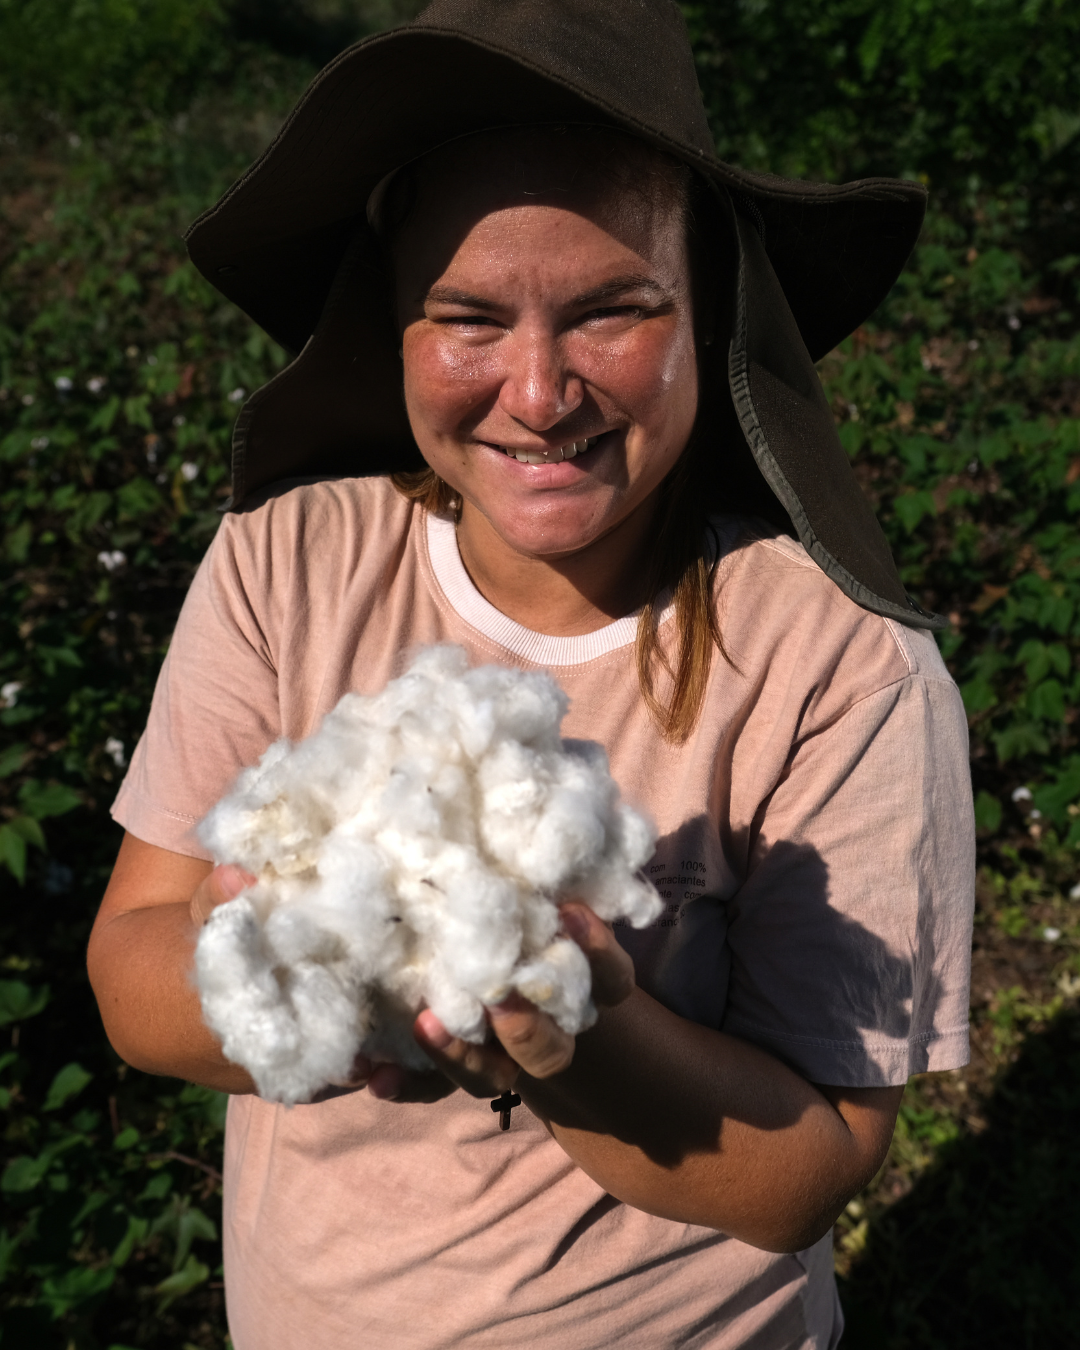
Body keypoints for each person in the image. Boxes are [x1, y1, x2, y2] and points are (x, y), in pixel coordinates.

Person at [87, 2, 975, 1346]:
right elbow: (129, 971)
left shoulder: (838, 669)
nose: (540, 389)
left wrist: (586, 1033)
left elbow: (813, 1168)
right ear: (392, 321)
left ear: (712, 309)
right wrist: (321, 963)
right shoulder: (287, 563)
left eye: (614, 310)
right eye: (467, 318)